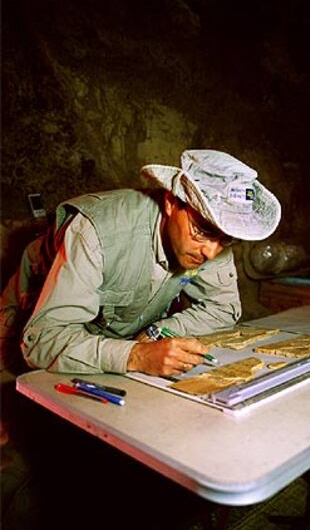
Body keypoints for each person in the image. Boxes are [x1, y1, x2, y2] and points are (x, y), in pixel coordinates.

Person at [0, 149, 281, 377]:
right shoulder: (96, 231)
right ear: (172, 202)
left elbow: (223, 309)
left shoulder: (213, 240)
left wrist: (153, 334)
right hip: (33, 304)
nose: (211, 253)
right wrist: (136, 356)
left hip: (112, 326)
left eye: (226, 239)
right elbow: (42, 339)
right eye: (203, 231)